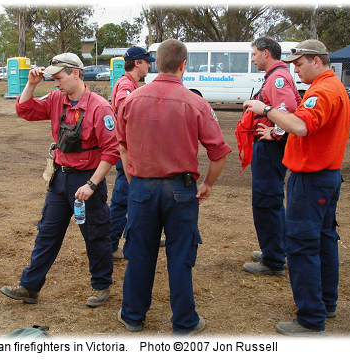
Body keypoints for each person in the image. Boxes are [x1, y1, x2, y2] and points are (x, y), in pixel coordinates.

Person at [116, 39, 232, 335]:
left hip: (142, 187)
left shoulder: (132, 99)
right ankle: (184, 321)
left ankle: (132, 316)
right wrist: (206, 184)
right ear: (184, 65)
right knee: (180, 255)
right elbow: (218, 152)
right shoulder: (195, 102)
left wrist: (133, 178)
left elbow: (123, 145)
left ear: (156, 63)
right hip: (181, 190)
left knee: (140, 251)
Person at [244, 39, 350, 336]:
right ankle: (325, 303)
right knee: (325, 240)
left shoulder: (323, 90)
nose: (296, 71)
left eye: (300, 63)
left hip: (312, 178)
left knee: (302, 245)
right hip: (326, 176)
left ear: (316, 61)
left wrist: (265, 110)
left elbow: (301, 126)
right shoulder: (333, 87)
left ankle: (310, 317)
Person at [0, 53, 119, 308]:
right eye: (53, 79)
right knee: (47, 233)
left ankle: (101, 285)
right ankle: (30, 287)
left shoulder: (100, 107)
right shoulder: (56, 99)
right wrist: (31, 84)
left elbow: (111, 152)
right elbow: (24, 110)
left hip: (87, 182)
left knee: (95, 234)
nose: (56, 83)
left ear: (75, 73)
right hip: (60, 180)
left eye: (59, 77)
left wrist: (92, 185)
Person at [241, 37, 301, 276]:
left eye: (254, 54)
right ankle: (275, 249)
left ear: (266, 53)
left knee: (266, 201)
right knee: (270, 200)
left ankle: (274, 259)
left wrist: (276, 133)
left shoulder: (277, 78)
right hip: (269, 149)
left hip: (270, 150)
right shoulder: (277, 75)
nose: (252, 58)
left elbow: (288, 108)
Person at [109, 46, 155, 260]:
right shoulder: (127, 85)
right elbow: (124, 109)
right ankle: (109, 245)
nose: (149, 65)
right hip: (128, 150)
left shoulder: (130, 83)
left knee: (129, 197)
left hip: (130, 148)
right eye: (146, 62)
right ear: (137, 63)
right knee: (122, 199)